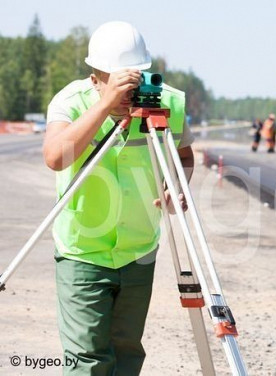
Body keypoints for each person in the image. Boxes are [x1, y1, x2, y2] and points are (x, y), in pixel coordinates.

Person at [43, 21, 195, 375]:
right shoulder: (70, 101)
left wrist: (178, 185)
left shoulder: (167, 102)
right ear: (95, 78)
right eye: (118, 81)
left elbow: (184, 157)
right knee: (87, 359)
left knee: (127, 354)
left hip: (139, 249)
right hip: (83, 250)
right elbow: (55, 157)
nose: (130, 90)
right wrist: (105, 106)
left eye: (135, 78)